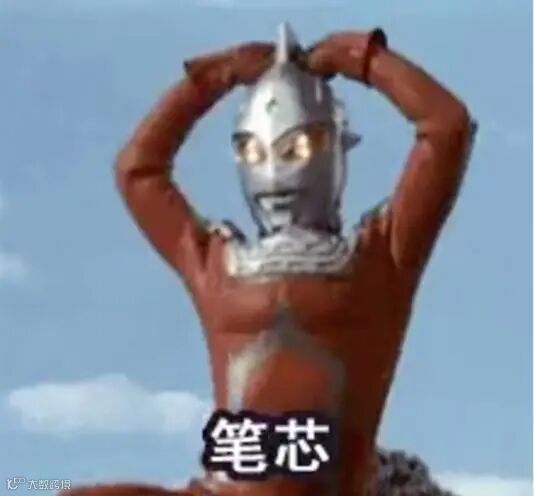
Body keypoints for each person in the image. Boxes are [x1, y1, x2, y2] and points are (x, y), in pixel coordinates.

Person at [62, 23, 475, 496]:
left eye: (297, 148)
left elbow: (446, 129)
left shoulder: (381, 259)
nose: (275, 173)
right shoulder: (218, 262)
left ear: (335, 147)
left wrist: (360, 58)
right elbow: (137, 170)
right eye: (253, 152)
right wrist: (217, 75)